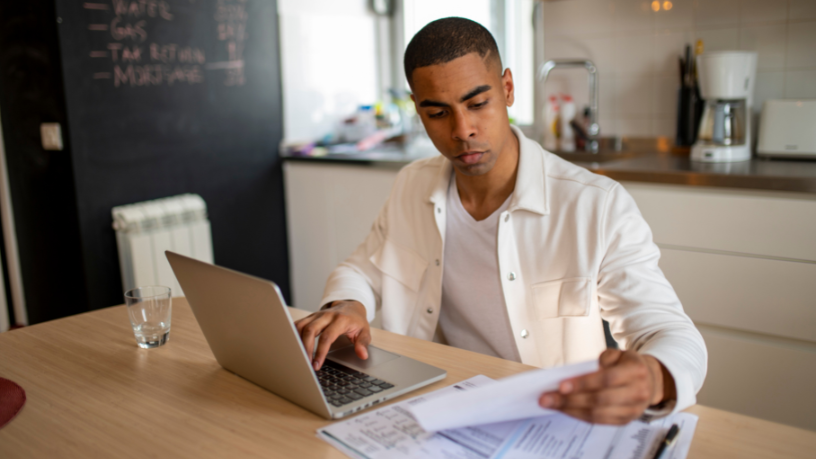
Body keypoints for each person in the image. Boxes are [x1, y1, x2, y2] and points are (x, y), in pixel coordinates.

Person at [295, 17, 706, 425]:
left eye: (477, 104)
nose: (462, 130)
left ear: (507, 88)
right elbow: (362, 269)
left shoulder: (596, 206)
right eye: (438, 112)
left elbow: (668, 333)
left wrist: (655, 376)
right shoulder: (411, 185)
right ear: (417, 108)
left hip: (547, 419)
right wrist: (348, 304)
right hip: (430, 407)